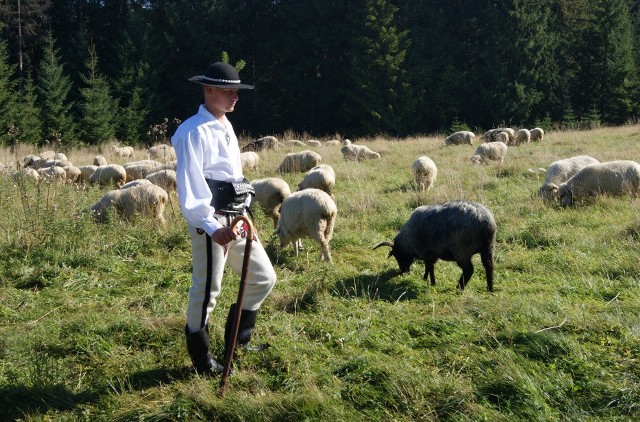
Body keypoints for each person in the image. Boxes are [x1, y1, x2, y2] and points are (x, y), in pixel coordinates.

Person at [171, 61, 277, 375]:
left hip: (236, 218)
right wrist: (212, 226)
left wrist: (246, 215)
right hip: (211, 222)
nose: (235, 97)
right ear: (209, 90)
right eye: (229, 91)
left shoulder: (226, 126)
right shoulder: (191, 132)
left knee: (263, 277)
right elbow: (191, 186)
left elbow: (234, 178)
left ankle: (237, 342)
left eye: (237, 91)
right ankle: (202, 361)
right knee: (207, 291)